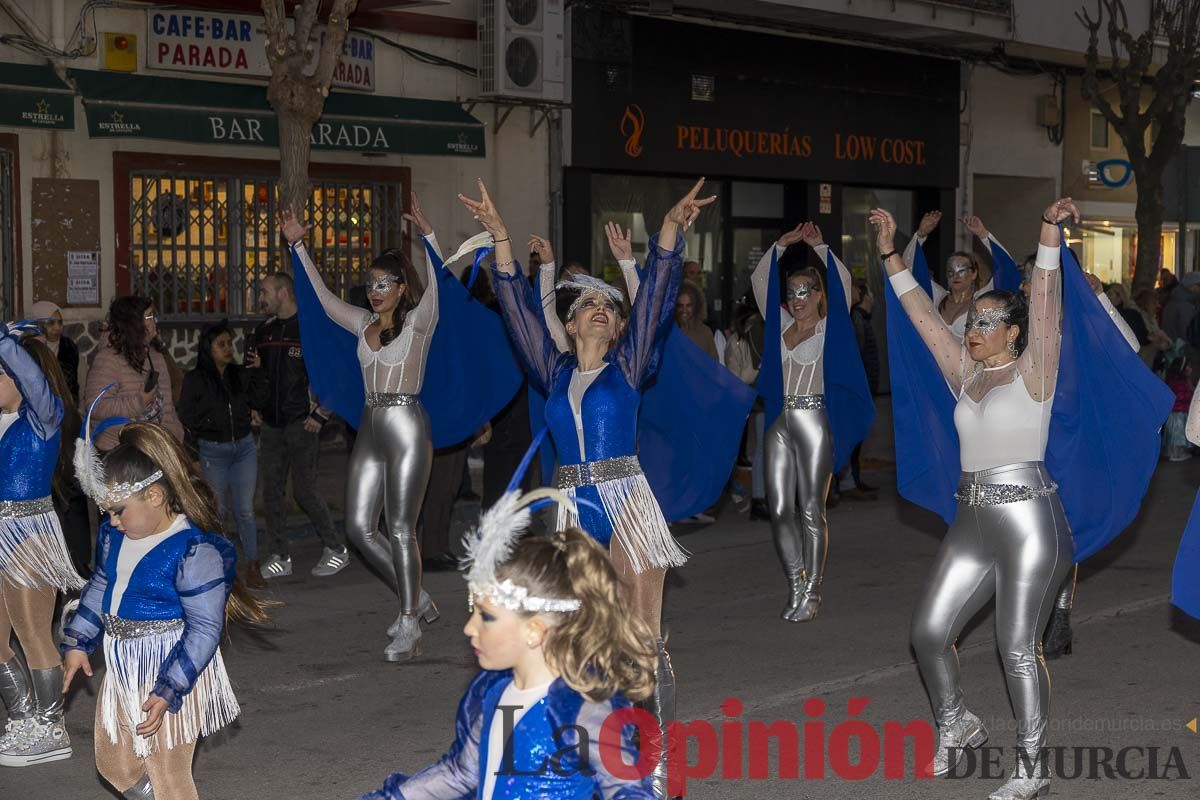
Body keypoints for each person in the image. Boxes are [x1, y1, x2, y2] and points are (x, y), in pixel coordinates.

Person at [875, 197, 1168, 800]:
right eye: (973, 322)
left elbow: (1044, 291)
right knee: (928, 634)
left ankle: (1031, 766)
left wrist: (1046, 230)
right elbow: (922, 317)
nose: (973, 331)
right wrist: (887, 251)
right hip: (972, 520)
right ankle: (957, 722)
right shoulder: (965, 372)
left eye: (987, 323)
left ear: (1012, 332)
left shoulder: (1037, 368)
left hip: (1033, 520)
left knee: (1016, 647)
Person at [469, 177, 713, 799]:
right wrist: (501, 240)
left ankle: (652, 763)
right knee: (576, 642)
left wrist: (668, 233)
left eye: (608, 305)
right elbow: (521, 311)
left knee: (642, 639)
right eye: (586, 306)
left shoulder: (629, 366)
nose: (599, 309)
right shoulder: (551, 373)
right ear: (570, 325)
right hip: (572, 512)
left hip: (628, 502)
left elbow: (656, 299)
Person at [357, 482, 656, 800]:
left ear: (534, 630)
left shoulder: (578, 708)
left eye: (485, 617)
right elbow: (461, 773)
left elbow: (626, 788)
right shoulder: (493, 694)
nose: (468, 629)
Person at [62, 421, 269, 800]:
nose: (111, 521)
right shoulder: (116, 535)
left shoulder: (194, 550)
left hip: (171, 665)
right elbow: (102, 586)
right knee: (113, 765)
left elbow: (204, 628)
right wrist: (78, 639)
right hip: (122, 662)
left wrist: (171, 686)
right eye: (107, 512)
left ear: (155, 496)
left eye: (119, 511)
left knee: (168, 774)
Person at [282, 195, 441, 662]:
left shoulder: (419, 322)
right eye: (370, 283)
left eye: (384, 283)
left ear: (400, 287)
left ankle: (409, 620)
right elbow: (326, 302)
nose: (374, 290)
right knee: (357, 526)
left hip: (408, 423)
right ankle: (417, 598)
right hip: (371, 425)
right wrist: (298, 249)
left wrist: (428, 236)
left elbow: (438, 287)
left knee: (399, 528)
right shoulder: (363, 323)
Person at [751, 221, 873, 622]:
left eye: (805, 291)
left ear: (819, 295)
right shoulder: (781, 327)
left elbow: (842, 282)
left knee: (810, 509)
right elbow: (761, 283)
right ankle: (796, 581)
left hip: (814, 419)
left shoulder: (829, 329)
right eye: (792, 293)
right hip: (780, 420)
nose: (797, 299)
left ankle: (814, 591)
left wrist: (820, 248)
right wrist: (779, 247)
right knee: (779, 506)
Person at [0, 323, 84, 767]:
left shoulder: (43, 418)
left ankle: (50, 727)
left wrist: (4, 343)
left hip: (28, 536)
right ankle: (22, 719)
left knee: (33, 633)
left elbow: (32, 379)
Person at [248, 270, 348, 581]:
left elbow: (338, 374)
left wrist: (321, 413)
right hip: (272, 425)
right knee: (271, 493)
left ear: (283, 292)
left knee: (305, 491)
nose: (260, 299)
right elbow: (257, 376)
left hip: (302, 424)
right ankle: (279, 556)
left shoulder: (310, 330)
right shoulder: (262, 333)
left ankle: (336, 548)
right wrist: (254, 406)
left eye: (264, 292)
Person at [178, 321, 269, 587]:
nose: (228, 349)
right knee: (218, 511)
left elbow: (258, 400)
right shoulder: (195, 379)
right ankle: (223, 568)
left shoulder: (238, 374)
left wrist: (259, 372)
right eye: (221, 344)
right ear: (209, 348)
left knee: (245, 510)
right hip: (212, 451)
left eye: (230, 343)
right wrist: (194, 453)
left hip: (243, 448)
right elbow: (187, 418)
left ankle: (253, 565)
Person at [83, 297, 183, 451]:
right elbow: (95, 407)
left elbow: (167, 408)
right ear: (133, 323)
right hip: (117, 453)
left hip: (153, 450)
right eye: (149, 316)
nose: (155, 320)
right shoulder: (108, 359)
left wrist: (173, 439)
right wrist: (138, 402)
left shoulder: (156, 356)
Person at [30, 300, 80, 403]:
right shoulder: (29, 350)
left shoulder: (70, 349)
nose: (57, 327)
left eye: (60, 322)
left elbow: (79, 385)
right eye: (51, 323)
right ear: (39, 324)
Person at [1161, 271, 1200, 341]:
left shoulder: (1176, 300)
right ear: (1191, 286)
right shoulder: (1184, 305)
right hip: (1179, 348)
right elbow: (1187, 333)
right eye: (1199, 285)